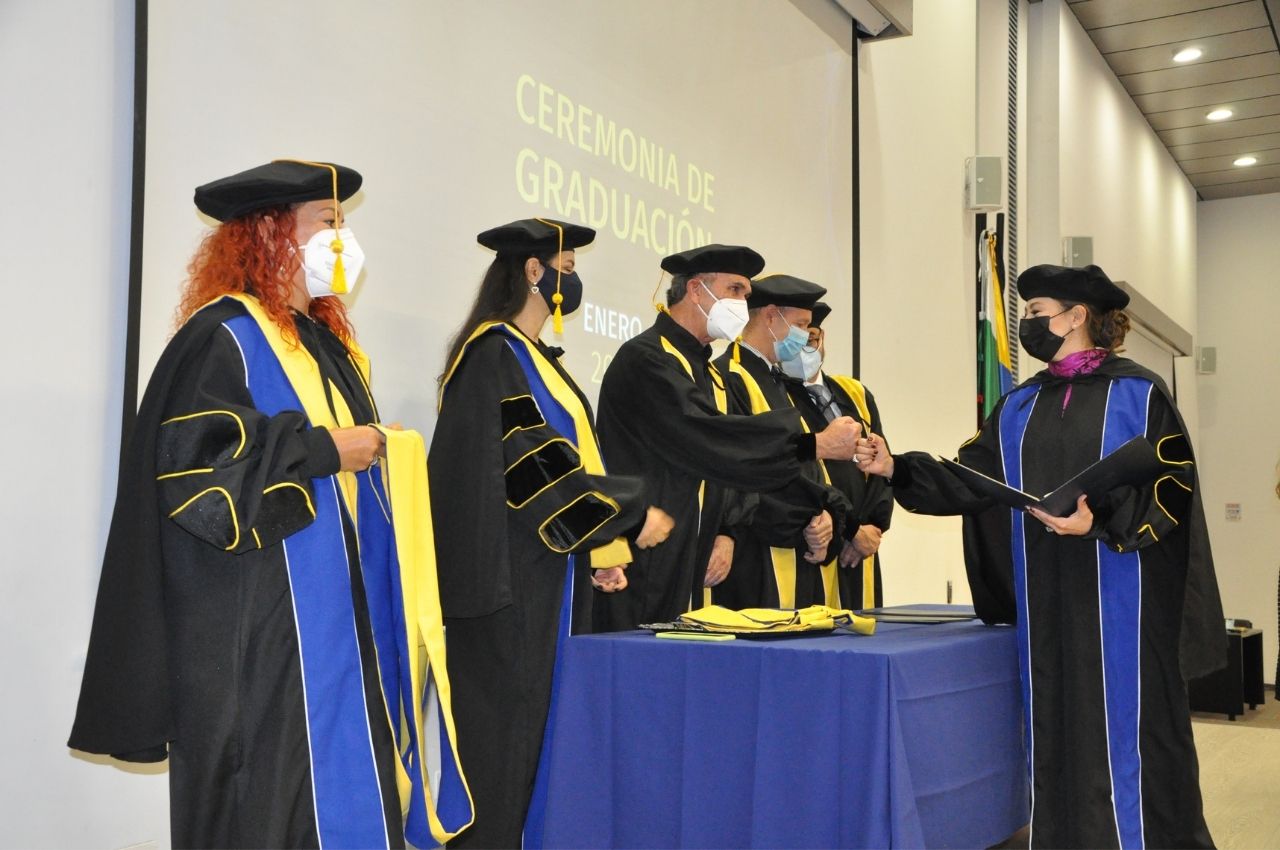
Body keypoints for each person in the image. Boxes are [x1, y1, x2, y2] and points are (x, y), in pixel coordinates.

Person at [68, 160, 472, 848]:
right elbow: (197, 479)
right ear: (267, 230)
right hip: (258, 648)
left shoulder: (323, 346)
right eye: (327, 222)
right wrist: (320, 451)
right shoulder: (222, 337)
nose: (342, 241)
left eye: (343, 223)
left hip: (341, 642)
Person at [858, 264, 1224, 848]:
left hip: (1121, 596)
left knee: (1133, 731)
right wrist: (896, 467)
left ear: (1077, 316)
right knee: (1055, 725)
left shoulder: (1140, 392)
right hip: (1046, 595)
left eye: (1035, 313)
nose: (1027, 324)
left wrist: (1100, 520)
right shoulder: (1019, 405)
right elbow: (972, 479)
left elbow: (1171, 485)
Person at [431, 218, 674, 849]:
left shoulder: (531, 357)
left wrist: (598, 550)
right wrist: (629, 511)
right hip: (507, 594)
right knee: (505, 755)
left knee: (540, 750)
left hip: (547, 580)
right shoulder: (492, 355)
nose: (574, 275)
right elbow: (535, 469)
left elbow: (561, 468)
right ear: (534, 271)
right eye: (566, 263)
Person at [593, 244, 863, 632]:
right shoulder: (648, 359)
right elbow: (709, 442)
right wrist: (812, 443)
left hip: (697, 552)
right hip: (648, 551)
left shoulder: (708, 372)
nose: (743, 302)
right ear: (697, 290)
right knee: (645, 675)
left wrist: (726, 530)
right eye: (735, 290)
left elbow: (729, 469)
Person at [711, 275, 850, 609]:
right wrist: (806, 519)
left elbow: (806, 465)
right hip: (756, 549)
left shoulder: (780, 382)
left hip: (799, 542)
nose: (804, 336)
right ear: (771, 316)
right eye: (800, 324)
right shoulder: (728, 377)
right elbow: (743, 469)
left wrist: (826, 513)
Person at [785, 300, 894, 609]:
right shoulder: (777, 394)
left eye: (813, 338)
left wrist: (873, 527)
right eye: (798, 339)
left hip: (862, 549)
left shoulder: (854, 392)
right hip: (815, 538)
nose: (806, 348)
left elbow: (881, 465)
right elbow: (803, 467)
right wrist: (849, 528)